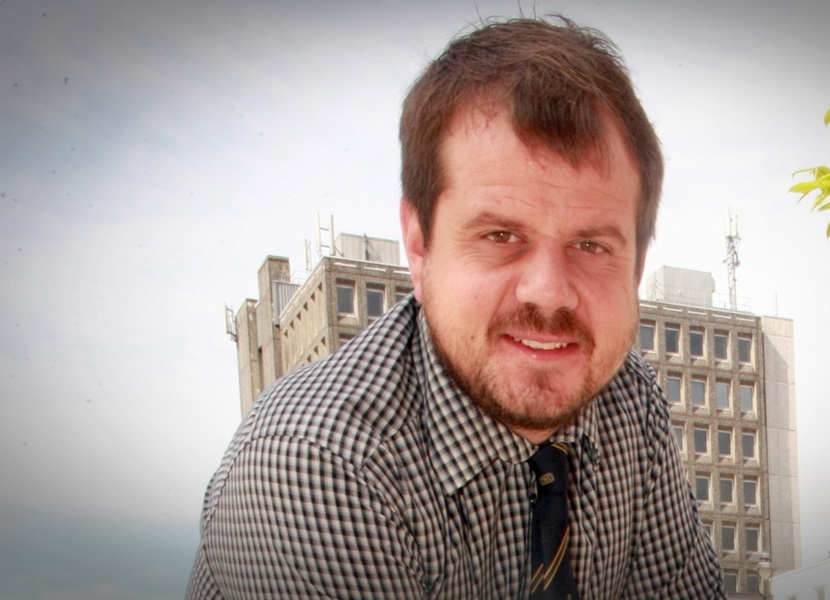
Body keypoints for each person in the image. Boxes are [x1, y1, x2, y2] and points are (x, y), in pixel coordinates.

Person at [186, 15, 725, 599]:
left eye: (591, 245)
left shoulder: (627, 399)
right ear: (418, 248)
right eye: (500, 236)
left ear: (637, 267)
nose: (548, 292)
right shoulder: (313, 463)